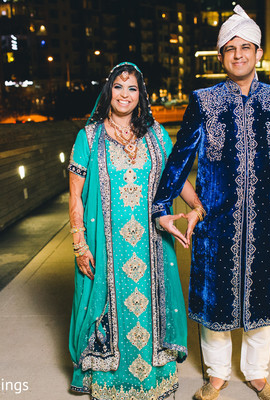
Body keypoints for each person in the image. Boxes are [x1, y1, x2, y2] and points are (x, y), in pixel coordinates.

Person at [152, 6, 270, 400]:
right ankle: (216, 375)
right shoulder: (204, 101)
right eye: (230, 48)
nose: (238, 55)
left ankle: (257, 374)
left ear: (258, 53)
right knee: (215, 304)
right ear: (221, 57)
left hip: (267, 222)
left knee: (261, 302)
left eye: (246, 47)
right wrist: (160, 207)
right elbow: (180, 157)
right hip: (215, 222)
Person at [68, 62, 196, 400]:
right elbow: (76, 197)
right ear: (109, 90)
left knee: (154, 304)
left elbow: (176, 178)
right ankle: (112, 381)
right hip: (108, 243)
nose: (125, 95)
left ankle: (154, 378)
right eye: (119, 87)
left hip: (152, 239)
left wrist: (196, 205)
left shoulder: (155, 134)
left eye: (132, 88)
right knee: (108, 306)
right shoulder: (89, 137)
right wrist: (79, 243)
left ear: (141, 95)